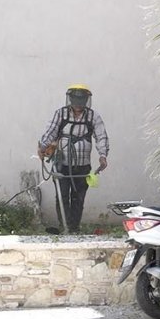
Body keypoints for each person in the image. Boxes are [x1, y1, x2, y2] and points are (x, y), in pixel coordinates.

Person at [37, 84, 109, 232]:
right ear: (70, 99)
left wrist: (103, 156)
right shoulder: (61, 114)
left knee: (78, 198)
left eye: (81, 101)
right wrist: (42, 147)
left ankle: (74, 227)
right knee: (62, 196)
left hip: (83, 165)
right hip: (61, 164)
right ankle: (64, 226)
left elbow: (101, 136)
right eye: (76, 101)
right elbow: (51, 131)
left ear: (86, 101)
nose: (78, 105)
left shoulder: (93, 116)